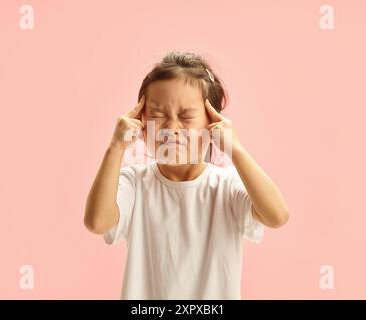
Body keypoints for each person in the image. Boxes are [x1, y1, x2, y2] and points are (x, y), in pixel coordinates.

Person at [84, 51, 289, 299]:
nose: (171, 128)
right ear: (140, 121)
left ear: (213, 123)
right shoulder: (135, 184)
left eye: (186, 116)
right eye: (157, 114)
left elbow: (277, 216)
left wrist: (235, 149)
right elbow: (97, 222)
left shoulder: (226, 185)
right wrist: (115, 147)